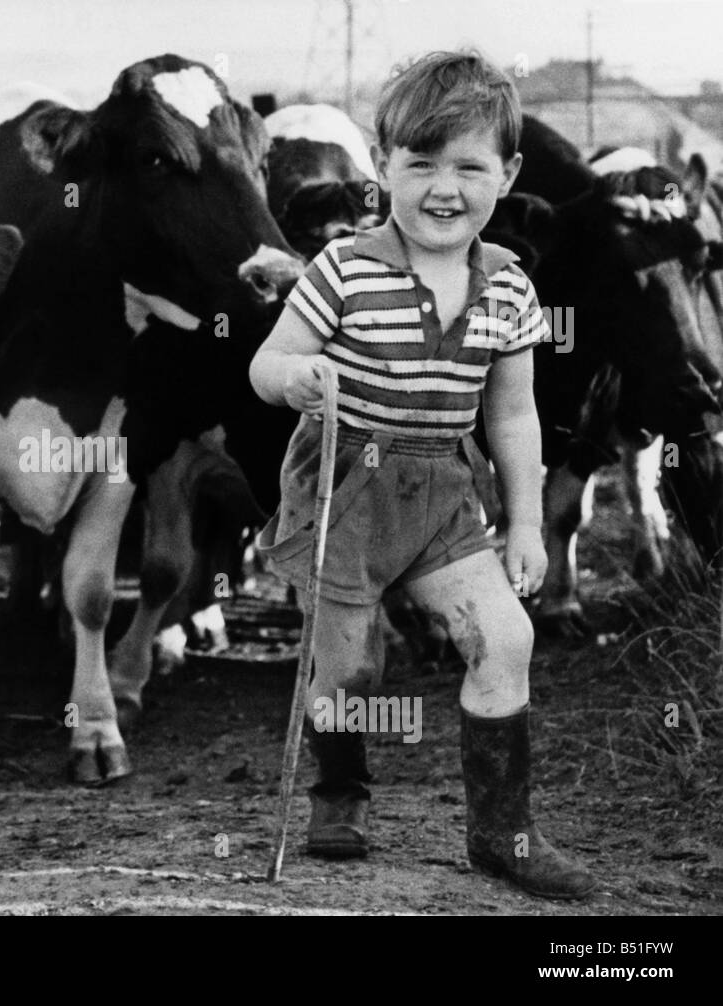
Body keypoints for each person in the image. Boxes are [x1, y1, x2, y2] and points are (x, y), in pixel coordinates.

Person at [248, 50, 595, 900]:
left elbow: (512, 414)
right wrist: (295, 378)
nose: (446, 188)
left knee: (506, 637)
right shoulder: (342, 271)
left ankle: (502, 834)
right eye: (421, 164)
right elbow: (270, 359)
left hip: (443, 491)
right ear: (381, 168)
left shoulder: (510, 285)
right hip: (346, 490)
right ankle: (340, 793)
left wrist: (524, 523)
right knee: (349, 666)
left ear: (508, 173)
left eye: (470, 166)